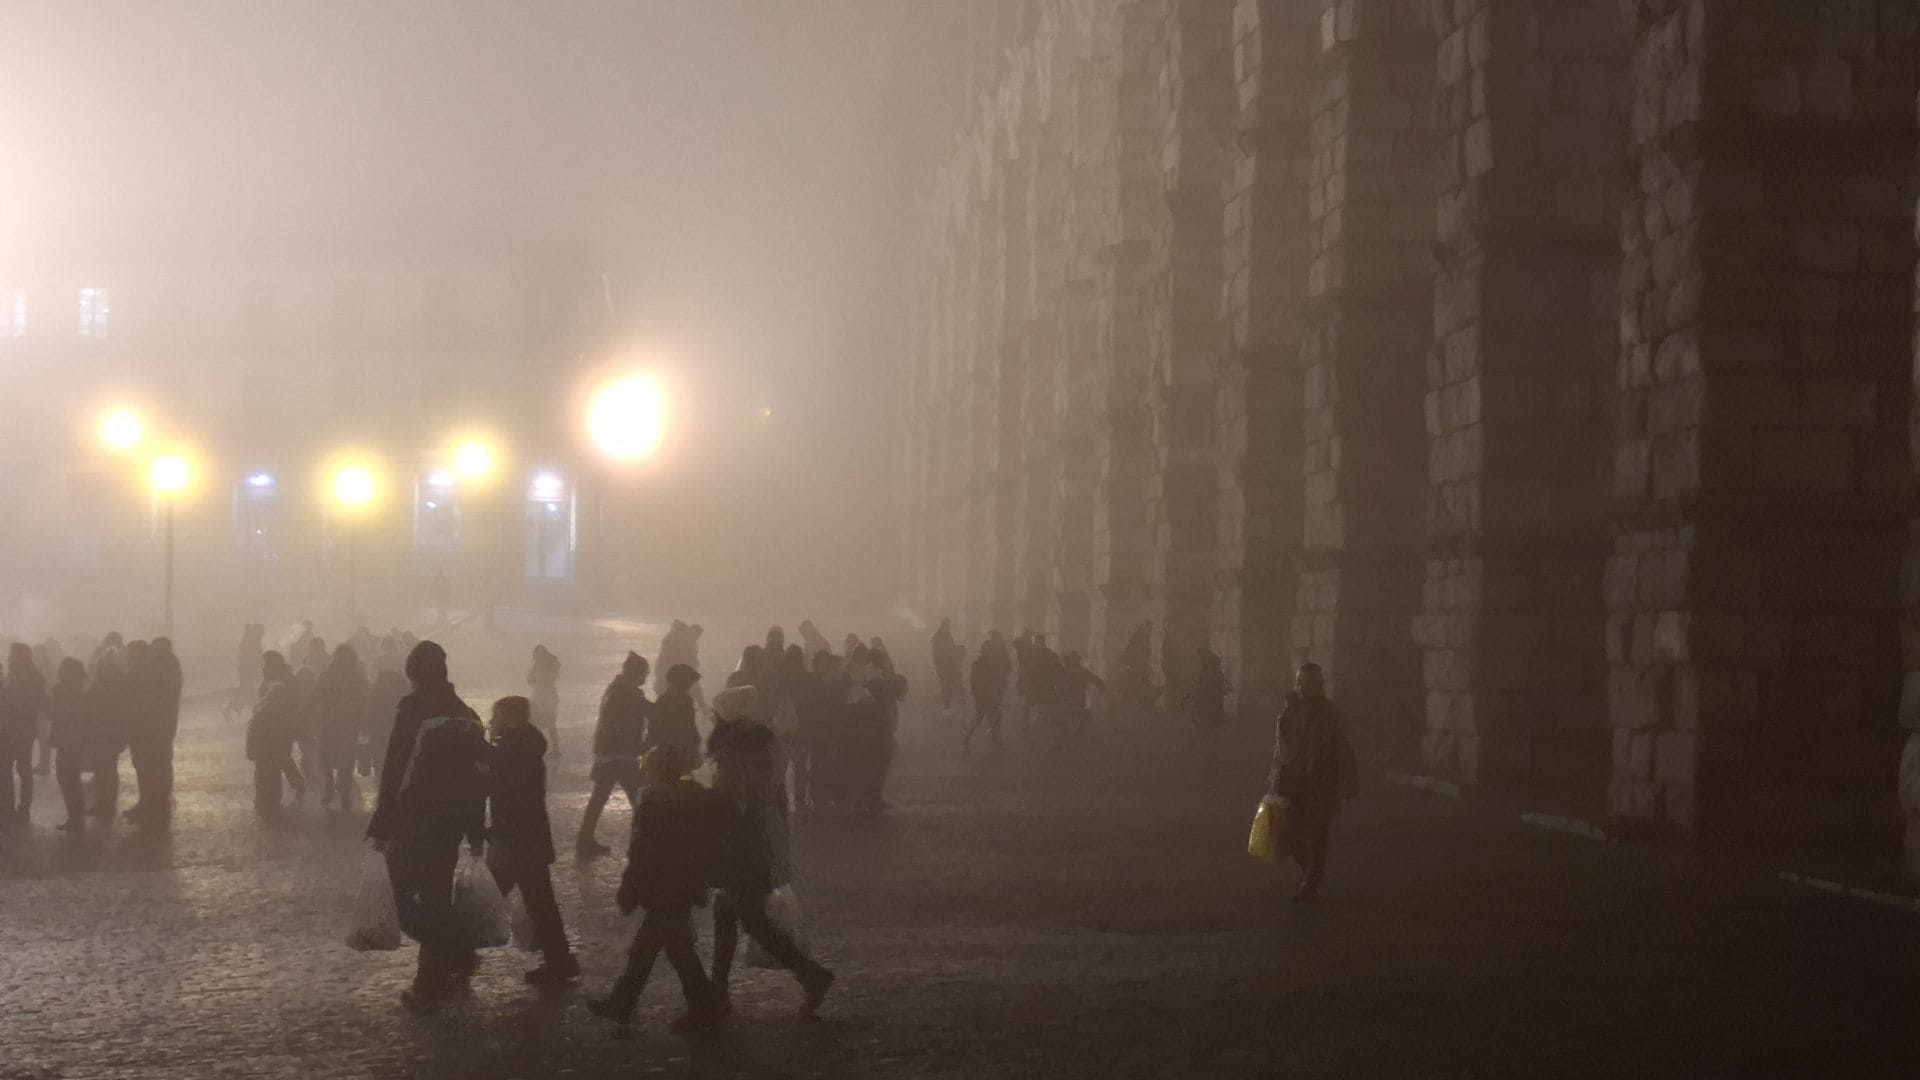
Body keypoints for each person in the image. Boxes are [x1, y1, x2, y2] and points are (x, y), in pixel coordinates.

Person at [366, 640, 490, 1011]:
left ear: (413, 672)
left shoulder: (413, 710)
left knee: (398, 893)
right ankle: (445, 961)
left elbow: (395, 767)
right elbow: (477, 778)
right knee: (436, 896)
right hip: (450, 823)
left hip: (414, 818)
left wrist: (382, 822)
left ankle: (437, 969)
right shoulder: (466, 715)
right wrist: (474, 829)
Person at [587, 744, 724, 1030]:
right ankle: (623, 1003)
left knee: (670, 949)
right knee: (657, 947)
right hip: (683, 883)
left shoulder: (654, 804)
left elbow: (643, 853)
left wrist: (629, 890)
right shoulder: (696, 799)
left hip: (661, 886)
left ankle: (703, 1006)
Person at [707, 712, 834, 1017]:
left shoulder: (733, 764)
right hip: (757, 848)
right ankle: (718, 991)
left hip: (741, 852)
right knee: (728, 915)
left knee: (748, 919)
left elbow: (731, 805)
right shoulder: (765, 764)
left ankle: (810, 974)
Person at [485, 695, 579, 984]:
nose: (492, 721)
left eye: (495, 716)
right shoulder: (526, 747)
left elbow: (506, 794)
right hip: (530, 837)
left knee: (484, 898)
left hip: (514, 839)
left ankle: (452, 954)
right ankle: (559, 958)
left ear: (510, 718)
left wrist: (494, 832)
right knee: (540, 902)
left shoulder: (512, 752)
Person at [1270, 662, 1358, 901]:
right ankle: (1311, 873)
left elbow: (1342, 747)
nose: (1303, 687)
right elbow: (1283, 745)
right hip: (1296, 781)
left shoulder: (1328, 713)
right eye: (1300, 682)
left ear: (1319, 685)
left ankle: (1312, 878)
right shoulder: (1293, 710)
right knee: (1291, 833)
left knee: (1317, 832)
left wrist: (1349, 777)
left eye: (1309, 683)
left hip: (1321, 781)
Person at [578, 651, 649, 856]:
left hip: (607, 753)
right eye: (644, 673)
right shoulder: (631, 693)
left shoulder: (614, 688)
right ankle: (646, 838)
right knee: (639, 798)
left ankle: (584, 840)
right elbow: (650, 713)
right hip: (622, 755)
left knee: (599, 799)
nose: (646, 677)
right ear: (636, 673)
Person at [124, 637, 183, 827]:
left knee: (156, 765)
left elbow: (153, 699)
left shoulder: (161, 670)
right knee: (147, 765)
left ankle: (158, 804)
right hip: (150, 726)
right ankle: (149, 802)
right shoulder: (158, 668)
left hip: (156, 727)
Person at [312, 644, 368, 810]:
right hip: (350, 723)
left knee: (327, 756)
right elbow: (365, 700)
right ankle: (344, 792)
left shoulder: (327, 674)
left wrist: (309, 718)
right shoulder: (357, 676)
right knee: (347, 758)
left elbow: (315, 695)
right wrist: (364, 722)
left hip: (329, 721)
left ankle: (329, 785)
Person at [246, 652, 301, 813]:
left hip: (272, 742)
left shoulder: (281, 678)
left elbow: (252, 731)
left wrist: (250, 749)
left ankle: (268, 801)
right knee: (275, 768)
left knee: (271, 771)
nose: (264, 665)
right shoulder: (280, 677)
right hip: (271, 743)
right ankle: (269, 800)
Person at [86, 645, 130, 820]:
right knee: (107, 769)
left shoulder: (104, 685)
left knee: (104, 770)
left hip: (103, 732)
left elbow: (92, 706)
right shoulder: (118, 683)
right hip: (110, 733)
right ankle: (106, 804)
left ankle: (105, 804)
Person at [48, 658, 91, 832]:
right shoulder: (79, 692)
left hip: (68, 741)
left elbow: (59, 715)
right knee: (71, 779)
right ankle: (76, 816)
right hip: (74, 741)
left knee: (67, 779)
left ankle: (75, 818)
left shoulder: (66, 692)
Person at [1, 644, 41, 822]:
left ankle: (10, 805)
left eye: (12, 656)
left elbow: (13, 703)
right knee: (22, 768)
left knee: (8, 767)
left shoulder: (20, 678)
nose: (9, 659)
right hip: (23, 729)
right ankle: (21, 806)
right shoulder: (32, 677)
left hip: (15, 729)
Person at [965, 631, 1011, 754]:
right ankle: (995, 739)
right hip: (989, 693)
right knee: (989, 716)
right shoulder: (989, 662)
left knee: (984, 716)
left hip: (984, 694)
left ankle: (969, 737)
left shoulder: (979, 663)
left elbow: (974, 682)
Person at [1186, 644, 1230, 767]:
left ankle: (1210, 756)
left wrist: (1196, 693)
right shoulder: (1214, 673)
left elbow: (1203, 689)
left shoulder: (1208, 673)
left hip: (1207, 705)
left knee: (1208, 730)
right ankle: (1211, 755)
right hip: (1211, 705)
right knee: (1210, 730)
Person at [1051, 653, 1105, 752]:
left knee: (1066, 716)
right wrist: (1101, 686)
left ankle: (1060, 740)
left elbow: (1057, 683)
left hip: (1070, 699)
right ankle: (1084, 732)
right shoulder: (1080, 671)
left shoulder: (1067, 671)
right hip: (1077, 698)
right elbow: (1094, 679)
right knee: (1080, 714)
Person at [649, 664, 704, 759]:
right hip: (671, 755)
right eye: (687, 685)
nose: (688, 688)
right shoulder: (681, 701)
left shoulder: (683, 700)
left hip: (673, 754)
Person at [526, 645, 562, 756]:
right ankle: (551, 747)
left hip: (546, 696)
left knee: (548, 722)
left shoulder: (549, 664)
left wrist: (538, 678)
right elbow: (530, 679)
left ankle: (553, 748)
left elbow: (535, 679)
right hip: (541, 695)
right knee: (542, 721)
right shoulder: (542, 663)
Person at [227, 623, 265, 722]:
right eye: (260, 631)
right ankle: (229, 708)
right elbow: (246, 658)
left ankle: (230, 708)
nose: (261, 634)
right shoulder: (249, 642)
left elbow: (257, 657)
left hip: (251, 672)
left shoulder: (254, 642)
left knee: (250, 694)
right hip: (248, 673)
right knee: (247, 694)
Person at [931, 618, 964, 715]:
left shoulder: (946, 635)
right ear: (943, 625)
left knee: (953, 681)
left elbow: (948, 649)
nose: (949, 627)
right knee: (946, 684)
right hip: (944, 666)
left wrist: (957, 650)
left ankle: (956, 700)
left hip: (950, 664)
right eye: (947, 625)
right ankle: (947, 705)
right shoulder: (939, 637)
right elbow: (942, 652)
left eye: (949, 625)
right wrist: (956, 651)